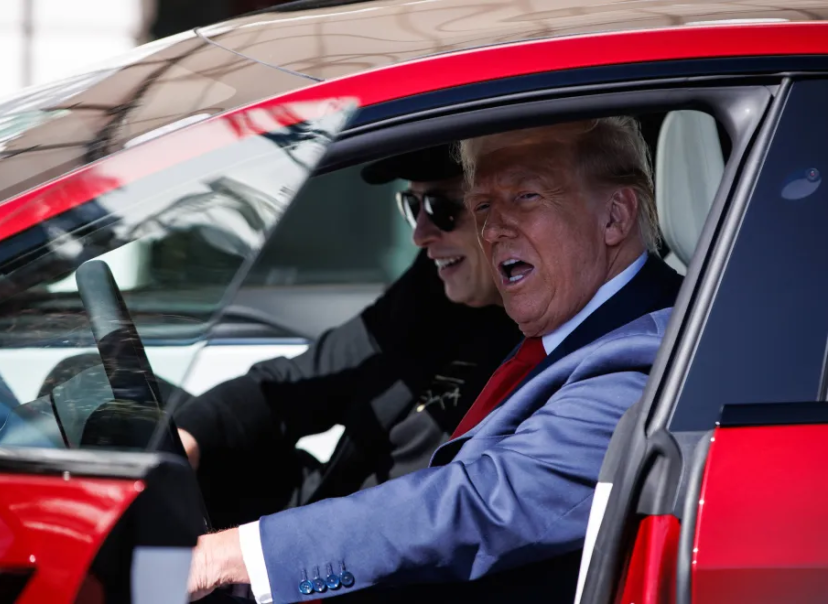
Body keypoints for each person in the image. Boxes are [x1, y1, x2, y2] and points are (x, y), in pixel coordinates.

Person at [186, 116, 684, 604]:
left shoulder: (645, 352)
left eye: (525, 196)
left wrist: (234, 556)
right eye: (481, 206)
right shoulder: (562, 316)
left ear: (615, 216)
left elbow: (481, 503)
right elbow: (300, 383)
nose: (492, 230)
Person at [174, 144, 521, 530]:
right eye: (412, 206)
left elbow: (442, 524)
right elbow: (301, 383)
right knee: (149, 425)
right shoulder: (434, 289)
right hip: (322, 514)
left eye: (442, 208)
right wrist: (190, 435)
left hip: (370, 547)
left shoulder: (549, 347)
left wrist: (243, 554)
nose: (420, 235)